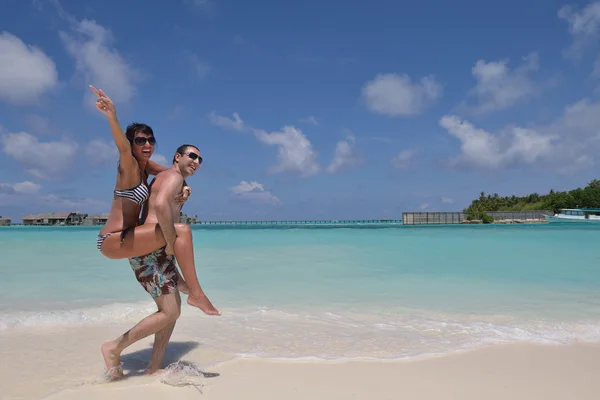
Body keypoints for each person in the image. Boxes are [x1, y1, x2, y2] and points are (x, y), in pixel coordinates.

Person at [90, 85, 219, 316]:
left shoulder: (146, 166)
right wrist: (112, 116)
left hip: (131, 236)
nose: (147, 145)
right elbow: (121, 146)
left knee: (171, 305)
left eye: (150, 140)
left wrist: (187, 187)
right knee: (181, 232)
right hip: (112, 239)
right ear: (132, 143)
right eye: (140, 140)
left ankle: (182, 284)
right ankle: (197, 294)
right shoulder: (128, 165)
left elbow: (173, 173)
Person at [101, 145, 212, 378]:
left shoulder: (174, 179)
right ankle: (114, 347)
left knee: (172, 310)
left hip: (156, 248)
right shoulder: (172, 176)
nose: (196, 161)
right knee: (170, 312)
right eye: (192, 155)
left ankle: (154, 366)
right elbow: (161, 206)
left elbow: (164, 206)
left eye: (200, 159)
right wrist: (171, 242)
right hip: (149, 251)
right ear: (177, 157)